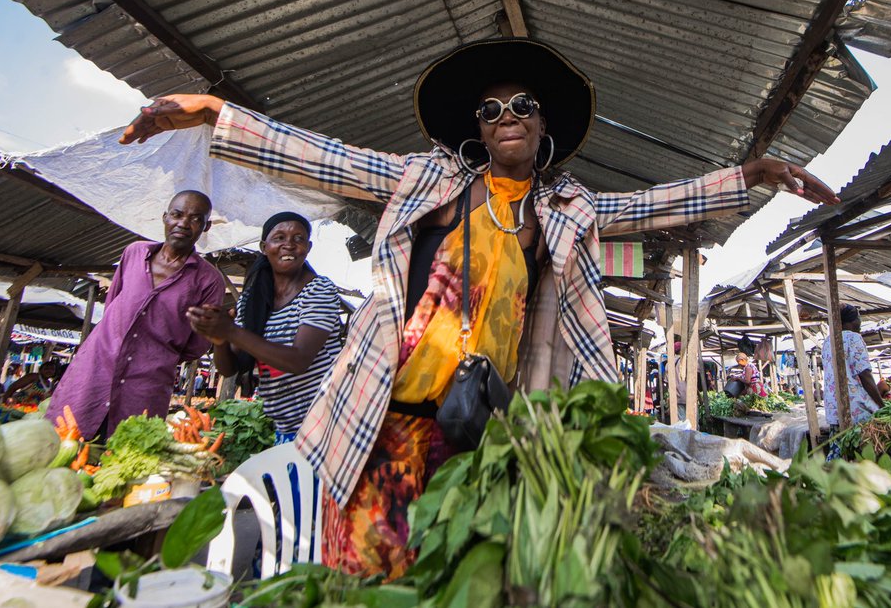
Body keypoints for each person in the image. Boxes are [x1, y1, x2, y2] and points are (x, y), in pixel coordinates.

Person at [121, 37, 837, 580]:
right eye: (492, 111)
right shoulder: (428, 178)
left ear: (541, 122)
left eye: (521, 106)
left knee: (456, 564)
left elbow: (647, 206)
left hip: (483, 424)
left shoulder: (564, 206)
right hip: (387, 411)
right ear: (479, 129)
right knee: (367, 569)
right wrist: (215, 112)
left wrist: (749, 176)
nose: (507, 118)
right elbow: (325, 156)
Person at [48, 191, 225, 440]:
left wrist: (154, 356)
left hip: (145, 386)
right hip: (94, 373)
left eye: (195, 219)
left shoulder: (208, 280)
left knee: (125, 458)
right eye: (177, 214)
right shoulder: (134, 253)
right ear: (165, 217)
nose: (183, 223)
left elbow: (196, 345)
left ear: (205, 227)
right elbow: (113, 305)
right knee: (63, 445)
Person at [188, 212, 345, 445]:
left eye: (298, 239)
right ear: (264, 247)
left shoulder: (319, 290)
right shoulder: (252, 301)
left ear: (308, 247)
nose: (289, 245)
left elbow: (298, 360)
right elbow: (229, 368)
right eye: (279, 237)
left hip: (327, 427)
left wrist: (231, 331)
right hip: (285, 428)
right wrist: (219, 338)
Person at [821, 304, 884, 431]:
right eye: (858, 318)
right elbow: (864, 374)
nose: (860, 322)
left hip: (834, 408)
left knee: (841, 444)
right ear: (851, 321)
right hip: (855, 407)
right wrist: (882, 406)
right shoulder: (853, 337)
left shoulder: (828, 341)